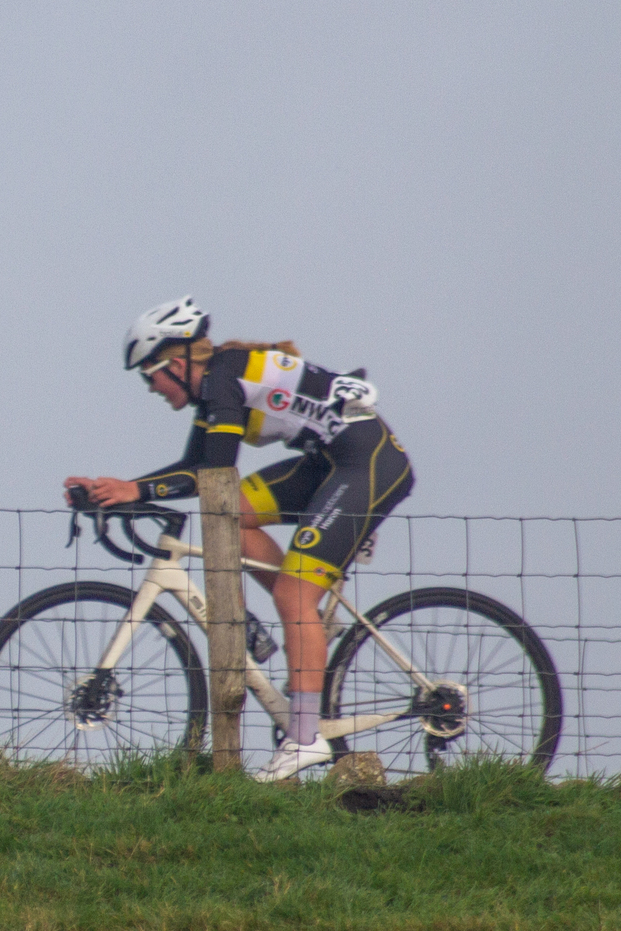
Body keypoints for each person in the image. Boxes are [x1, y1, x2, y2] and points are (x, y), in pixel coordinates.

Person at [65, 297, 413, 783]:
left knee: (293, 592)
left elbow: (212, 472)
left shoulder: (224, 381)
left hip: (365, 462)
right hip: (327, 462)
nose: (151, 389)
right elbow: (200, 475)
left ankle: (305, 736)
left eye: (150, 376)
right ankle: (303, 620)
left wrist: (133, 489)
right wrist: (123, 492)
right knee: (229, 518)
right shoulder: (217, 387)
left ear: (177, 361)